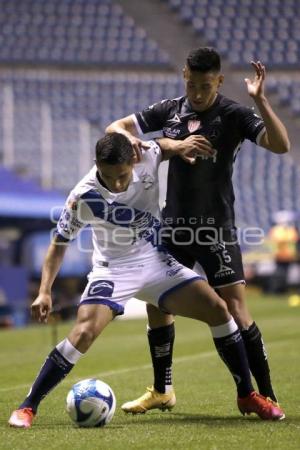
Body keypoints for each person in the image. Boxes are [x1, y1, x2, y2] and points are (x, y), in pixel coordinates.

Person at [8, 133, 284, 428]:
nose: (116, 184)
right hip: (112, 269)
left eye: (122, 175)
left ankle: (247, 395)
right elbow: (59, 243)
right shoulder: (82, 196)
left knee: (218, 310)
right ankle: (28, 406)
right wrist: (44, 292)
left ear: (134, 161)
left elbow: (161, 146)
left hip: (155, 262)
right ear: (96, 164)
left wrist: (178, 146)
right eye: (107, 175)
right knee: (85, 331)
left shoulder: (148, 156)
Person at [105, 47, 290, 414]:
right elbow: (116, 129)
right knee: (157, 304)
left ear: (219, 81)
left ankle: (265, 394)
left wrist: (262, 102)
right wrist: (160, 145)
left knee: (236, 309)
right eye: (192, 85)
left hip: (215, 228)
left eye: (205, 86)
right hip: (173, 226)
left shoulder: (234, 115)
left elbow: (281, 145)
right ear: (184, 78)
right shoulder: (170, 110)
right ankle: (162, 390)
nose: (198, 94)